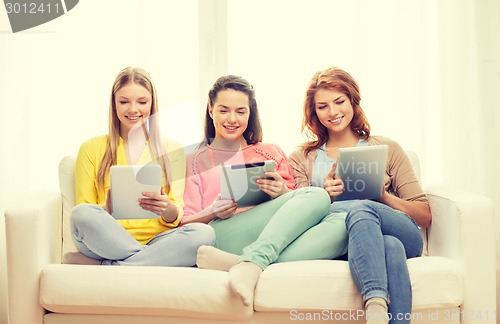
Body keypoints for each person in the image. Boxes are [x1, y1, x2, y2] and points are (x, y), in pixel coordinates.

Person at [182, 75, 346, 307]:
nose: (232, 119)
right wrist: (212, 211)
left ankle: (243, 261)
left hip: (270, 238)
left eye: (240, 111)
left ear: (250, 113)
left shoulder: (270, 152)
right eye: (223, 110)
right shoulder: (193, 161)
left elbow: (302, 210)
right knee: (318, 194)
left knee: (343, 223)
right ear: (210, 110)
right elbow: (185, 225)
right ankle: (253, 259)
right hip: (224, 234)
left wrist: (281, 192)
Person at [288, 66, 432, 324]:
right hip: (343, 242)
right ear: (313, 111)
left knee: (362, 209)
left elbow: (424, 215)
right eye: (322, 106)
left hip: (400, 230)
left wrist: (381, 196)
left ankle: (375, 305)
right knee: (390, 246)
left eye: (339, 101)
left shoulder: (386, 148)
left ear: (353, 100)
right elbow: (295, 218)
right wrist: (324, 197)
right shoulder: (303, 157)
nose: (332, 112)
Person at [63, 66, 215, 266]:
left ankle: (115, 265)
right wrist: (105, 210)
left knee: (204, 234)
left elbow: (175, 215)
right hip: (107, 240)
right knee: (81, 214)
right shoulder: (91, 148)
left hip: (158, 241)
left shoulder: (172, 149)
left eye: (142, 102)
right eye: (124, 102)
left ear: (152, 104)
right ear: (114, 104)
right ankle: (146, 261)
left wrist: (165, 208)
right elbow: (85, 211)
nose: (133, 109)